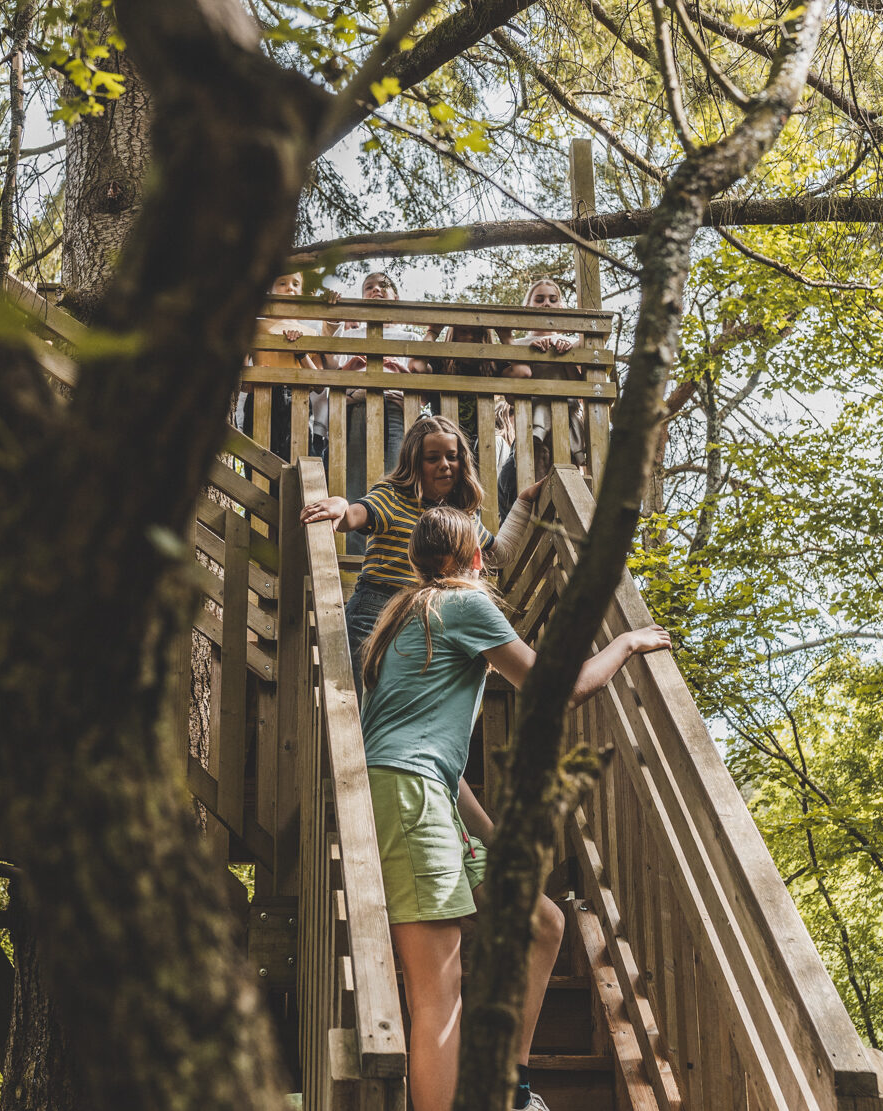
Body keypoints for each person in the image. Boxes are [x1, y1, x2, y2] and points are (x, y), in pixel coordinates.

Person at [358, 505, 672, 1111]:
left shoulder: (408, 614)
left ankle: (512, 1087)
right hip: (409, 798)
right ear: (474, 555)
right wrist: (628, 641)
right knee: (437, 996)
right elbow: (565, 689)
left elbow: (430, 753)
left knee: (543, 923)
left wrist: (491, 837)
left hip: (425, 794)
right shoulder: (463, 605)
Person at [299, 414, 541, 697]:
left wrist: (523, 502)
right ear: (415, 463)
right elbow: (354, 515)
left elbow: (498, 554)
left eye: (452, 456)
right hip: (375, 611)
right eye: (432, 458)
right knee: (360, 706)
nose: (444, 465)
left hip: (427, 617)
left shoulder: (462, 516)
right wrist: (340, 504)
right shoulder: (392, 496)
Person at [332, 271, 426, 557]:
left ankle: (396, 552)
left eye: (383, 286)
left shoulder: (409, 336)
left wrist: (404, 374)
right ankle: (357, 554)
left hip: (398, 408)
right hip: (359, 407)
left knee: (398, 477)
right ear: (361, 299)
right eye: (369, 287)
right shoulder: (351, 334)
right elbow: (331, 376)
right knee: (358, 478)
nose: (376, 291)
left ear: (395, 297)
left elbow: (422, 390)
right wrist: (350, 371)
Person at [499, 278, 586, 480]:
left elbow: (581, 391)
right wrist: (530, 355)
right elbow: (511, 397)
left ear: (561, 306)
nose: (546, 303)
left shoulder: (573, 344)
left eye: (553, 299)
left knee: (569, 478)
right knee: (532, 479)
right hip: (530, 429)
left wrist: (567, 356)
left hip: (566, 427)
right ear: (527, 306)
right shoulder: (517, 344)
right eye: (539, 299)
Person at [238, 271, 327, 460]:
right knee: (258, 459)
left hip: (299, 400)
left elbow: (319, 386)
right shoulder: (254, 326)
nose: (290, 288)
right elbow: (243, 383)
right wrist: (255, 376)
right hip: (261, 398)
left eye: (296, 284)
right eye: (282, 283)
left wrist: (300, 352)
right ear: (269, 290)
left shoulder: (311, 331)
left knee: (298, 461)